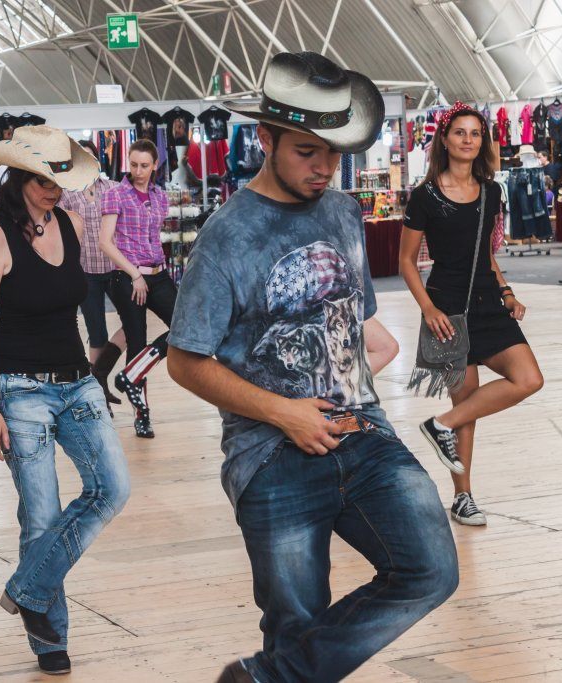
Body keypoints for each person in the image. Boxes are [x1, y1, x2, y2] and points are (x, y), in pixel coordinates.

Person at [166, 51, 458, 682]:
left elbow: (354, 325)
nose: (325, 168)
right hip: (270, 453)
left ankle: (266, 678)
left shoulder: (343, 212)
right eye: (306, 151)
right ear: (265, 138)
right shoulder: (227, 235)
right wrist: (283, 412)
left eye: (335, 152)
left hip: (364, 434)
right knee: (295, 621)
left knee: (430, 568)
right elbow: (184, 362)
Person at [0, 125, 130, 676]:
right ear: (17, 177)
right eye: (42, 180)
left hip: (78, 382)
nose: (54, 189)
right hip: (20, 390)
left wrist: (100, 357)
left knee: (112, 488)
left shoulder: (71, 221)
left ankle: (26, 589)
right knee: (39, 517)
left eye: (59, 178)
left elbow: (75, 303)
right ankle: (50, 640)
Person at [399, 102, 544, 526]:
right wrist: (427, 309)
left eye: (475, 133)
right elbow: (406, 260)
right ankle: (464, 498)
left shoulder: (492, 190)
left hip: (489, 305)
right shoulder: (424, 196)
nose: (467, 139)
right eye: (459, 132)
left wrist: (507, 291)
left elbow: (488, 253)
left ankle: (440, 424)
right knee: (468, 404)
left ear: (483, 142)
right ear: (444, 140)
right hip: (447, 310)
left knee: (529, 378)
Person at [99, 139, 175, 438]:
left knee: (184, 326)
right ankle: (142, 416)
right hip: (127, 277)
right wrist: (134, 275)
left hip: (158, 274)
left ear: (155, 165)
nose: (138, 171)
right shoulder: (116, 194)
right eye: (133, 165)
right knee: (136, 342)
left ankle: (130, 375)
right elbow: (105, 242)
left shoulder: (159, 196)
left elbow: (154, 237)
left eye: (144, 165)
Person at [56, 139, 126, 406]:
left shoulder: (114, 189)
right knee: (96, 332)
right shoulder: (66, 194)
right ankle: (98, 395)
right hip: (85, 271)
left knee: (133, 324)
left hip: (116, 268)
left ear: (97, 161)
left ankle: (100, 373)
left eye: (90, 158)